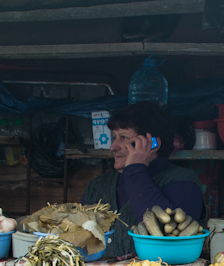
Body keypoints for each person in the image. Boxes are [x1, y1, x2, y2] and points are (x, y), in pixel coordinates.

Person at [83, 101, 206, 257]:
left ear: (153, 144)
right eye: (114, 137)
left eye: (123, 138)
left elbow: (164, 236)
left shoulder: (183, 182)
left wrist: (134, 170)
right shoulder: (98, 185)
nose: (113, 147)